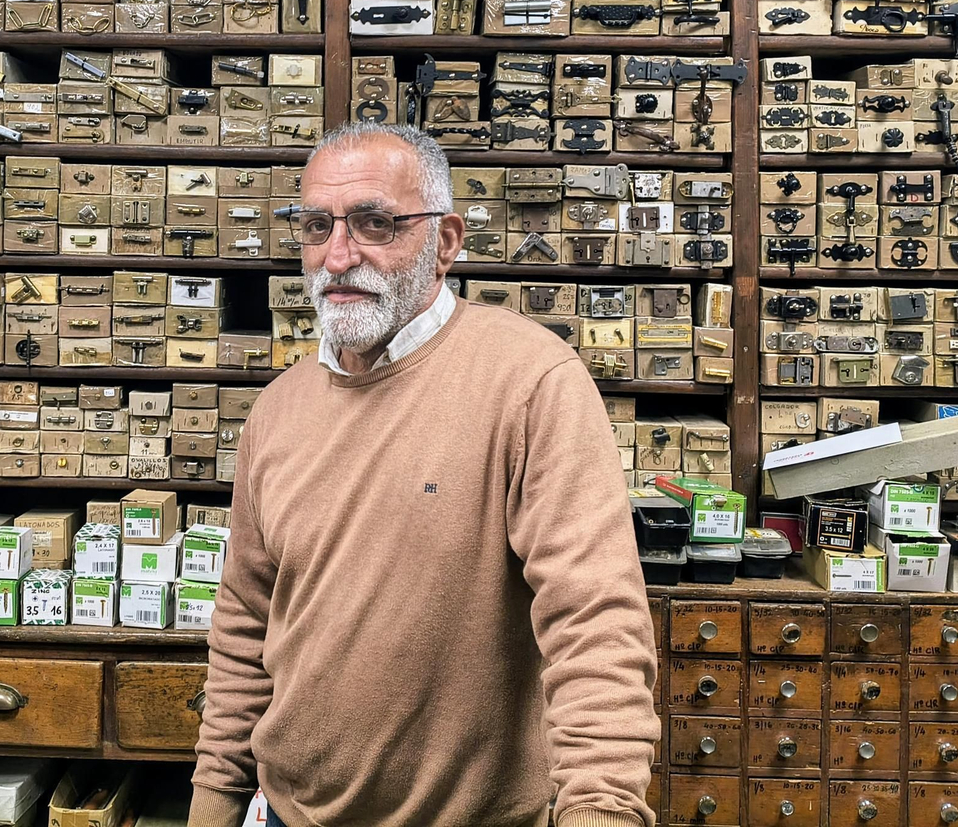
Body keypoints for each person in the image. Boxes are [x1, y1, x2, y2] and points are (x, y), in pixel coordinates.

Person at [188, 122, 660, 827]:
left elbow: (594, 621)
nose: (338, 255)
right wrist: (213, 802)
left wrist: (602, 809)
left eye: (375, 223)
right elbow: (245, 627)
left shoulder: (530, 382)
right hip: (291, 813)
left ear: (444, 242)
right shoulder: (278, 411)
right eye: (317, 226)